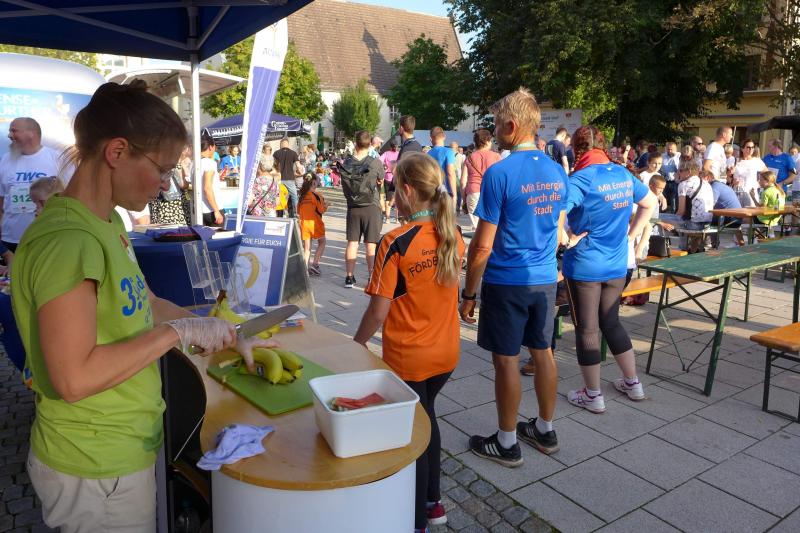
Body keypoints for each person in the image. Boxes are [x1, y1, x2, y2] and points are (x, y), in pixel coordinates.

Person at [11, 81, 276, 533]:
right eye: (162, 169)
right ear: (117, 152)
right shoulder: (68, 241)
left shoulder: (107, 220)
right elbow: (73, 379)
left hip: (121, 450)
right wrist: (177, 334)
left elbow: (146, 302)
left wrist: (219, 331)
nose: (166, 184)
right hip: (94, 464)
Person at [354, 152, 464, 533]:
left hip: (410, 359)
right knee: (427, 417)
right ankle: (434, 502)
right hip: (447, 354)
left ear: (406, 190)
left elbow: (377, 313)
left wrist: (355, 344)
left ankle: (416, 520)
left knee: (414, 435)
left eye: (393, 188)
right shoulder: (452, 233)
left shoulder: (395, 242)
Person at [460, 88, 567, 467]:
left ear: (510, 125)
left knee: (506, 360)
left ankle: (506, 443)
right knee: (543, 352)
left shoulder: (499, 173)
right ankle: (545, 429)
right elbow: (557, 229)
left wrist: (469, 293)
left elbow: (482, 246)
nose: (493, 130)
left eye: (495, 123)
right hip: (544, 279)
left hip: (507, 280)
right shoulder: (557, 171)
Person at [562, 125, 657, 413]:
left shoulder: (581, 178)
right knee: (611, 322)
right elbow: (649, 203)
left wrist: (566, 239)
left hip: (585, 266)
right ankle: (633, 383)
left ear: (576, 149)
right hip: (617, 264)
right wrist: (630, 236)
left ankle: (593, 394)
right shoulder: (621, 173)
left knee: (587, 329)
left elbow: (557, 211)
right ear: (603, 146)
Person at [0, 117, 64, 252]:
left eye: (14, 131)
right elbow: (1, 199)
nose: (9, 135)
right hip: (9, 240)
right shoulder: (5, 160)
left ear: (31, 133)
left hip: (45, 238)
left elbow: (70, 197)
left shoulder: (57, 159)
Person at [338, 130, 384, 288]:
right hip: (371, 206)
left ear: (355, 144)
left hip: (353, 206)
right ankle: (372, 277)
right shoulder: (375, 162)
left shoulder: (347, 162)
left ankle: (349, 277)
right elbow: (381, 181)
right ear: (370, 144)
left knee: (352, 243)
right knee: (371, 245)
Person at [462, 128, 501, 231]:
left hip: (473, 192)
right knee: (491, 227)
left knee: (476, 228)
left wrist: (464, 200)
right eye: (491, 141)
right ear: (487, 141)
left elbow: (463, 182)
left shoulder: (469, 158)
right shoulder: (497, 156)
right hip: (491, 192)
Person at [297, 173, 328, 276]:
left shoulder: (302, 196)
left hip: (304, 224)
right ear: (314, 182)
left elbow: (298, 211)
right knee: (322, 242)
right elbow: (321, 210)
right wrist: (326, 206)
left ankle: (305, 269)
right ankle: (315, 264)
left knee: (307, 248)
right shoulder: (317, 195)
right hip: (315, 223)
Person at [732, 139, 767, 207]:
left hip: (750, 193)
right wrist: (732, 181)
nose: (751, 149)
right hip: (737, 192)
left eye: (752, 147)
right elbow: (727, 177)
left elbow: (767, 174)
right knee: (736, 212)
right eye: (748, 147)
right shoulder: (735, 160)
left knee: (750, 212)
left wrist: (759, 183)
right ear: (742, 149)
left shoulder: (756, 161)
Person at [751, 170, 785, 238]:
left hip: (766, 219)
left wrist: (753, 197)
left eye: (760, 180)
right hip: (776, 218)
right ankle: (770, 235)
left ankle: (760, 238)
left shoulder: (766, 192)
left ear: (767, 181)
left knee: (749, 218)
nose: (759, 181)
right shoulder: (779, 190)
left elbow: (761, 208)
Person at [274, 139, 303, 217]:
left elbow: (274, 166)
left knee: (279, 196)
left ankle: (278, 214)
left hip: (279, 179)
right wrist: (300, 172)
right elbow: (298, 165)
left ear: (281, 144)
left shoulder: (276, 153)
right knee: (294, 196)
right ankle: (297, 213)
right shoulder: (293, 153)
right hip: (290, 178)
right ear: (288, 144)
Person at [426, 127, 457, 200]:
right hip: (446, 192)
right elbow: (450, 173)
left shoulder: (428, 154)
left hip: (432, 192)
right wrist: (454, 194)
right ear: (444, 137)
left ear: (431, 138)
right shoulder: (449, 152)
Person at [200, 135, 224, 226]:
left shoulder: (193, 164)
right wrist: (216, 211)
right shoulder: (209, 163)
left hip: (200, 210)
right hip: (211, 210)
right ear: (211, 147)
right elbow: (207, 188)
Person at [380, 142, 399, 222]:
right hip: (397, 177)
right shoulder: (399, 154)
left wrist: (385, 166)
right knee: (397, 198)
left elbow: (379, 160)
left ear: (390, 147)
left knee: (388, 197)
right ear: (397, 146)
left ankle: (387, 219)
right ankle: (397, 219)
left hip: (388, 177)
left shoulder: (386, 153)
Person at [451, 141, 466, 212]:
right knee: (455, 193)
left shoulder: (461, 156)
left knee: (457, 193)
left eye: (451, 147)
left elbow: (463, 168)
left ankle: (456, 208)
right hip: (454, 177)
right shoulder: (449, 155)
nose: (451, 149)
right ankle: (455, 208)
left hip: (457, 177)